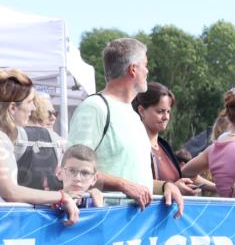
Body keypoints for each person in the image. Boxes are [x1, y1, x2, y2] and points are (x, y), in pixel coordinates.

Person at [68, 38, 183, 218]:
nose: (147, 71)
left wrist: (164, 186)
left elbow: (135, 180)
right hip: (105, 225)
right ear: (133, 69)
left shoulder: (133, 116)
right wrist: (122, 185)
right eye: (145, 65)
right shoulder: (94, 108)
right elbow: (73, 170)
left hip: (132, 231)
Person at [0, 68, 79, 224]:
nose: (33, 108)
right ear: (12, 107)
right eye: (30, 102)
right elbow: (10, 191)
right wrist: (61, 196)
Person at [132, 82, 198, 197]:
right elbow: (133, 182)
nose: (166, 117)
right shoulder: (133, 145)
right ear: (142, 111)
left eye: (168, 112)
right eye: (160, 111)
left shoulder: (165, 147)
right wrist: (170, 186)